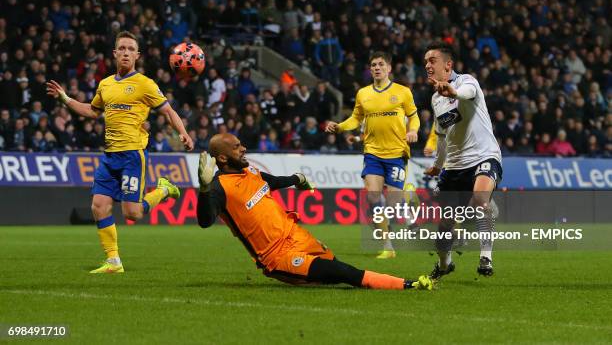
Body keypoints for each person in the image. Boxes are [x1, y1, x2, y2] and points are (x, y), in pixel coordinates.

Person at [196, 133, 433, 290]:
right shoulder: (218, 188)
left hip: (297, 236)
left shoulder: (251, 172)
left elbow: (274, 181)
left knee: (332, 267)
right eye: (237, 147)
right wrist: (205, 189)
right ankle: (406, 285)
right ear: (223, 157)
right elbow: (205, 221)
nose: (244, 148)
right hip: (277, 257)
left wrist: (296, 178)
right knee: (342, 272)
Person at [46, 31, 194, 274]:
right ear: (115, 53)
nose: (126, 52)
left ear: (137, 55)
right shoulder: (105, 84)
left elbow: (168, 111)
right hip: (110, 156)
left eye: (130, 49)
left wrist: (183, 133)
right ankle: (113, 261)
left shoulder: (145, 84)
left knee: (132, 213)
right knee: (98, 205)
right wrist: (65, 99)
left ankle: (165, 189)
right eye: (122, 48)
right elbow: (92, 111)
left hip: (132, 156)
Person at [325, 51, 420, 259]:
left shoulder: (403, 92)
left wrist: (413, 131)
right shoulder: (363, 94)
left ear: (389, 69)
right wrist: (340, 127)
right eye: (373, 65)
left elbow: (414, 117)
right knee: (373, 196)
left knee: (394, 205)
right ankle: (388, 247)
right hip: (373, 153)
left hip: (396, 153)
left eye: (380, 64)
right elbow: (355, 119)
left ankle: (407, 195)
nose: (376, 68)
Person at [423, 41, 503, 278]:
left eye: (432, 61)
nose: (427, 65)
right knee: (446, 225)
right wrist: (438, 166)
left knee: (479, 200)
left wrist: (454, 92)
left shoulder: (467, 81)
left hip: (483, 155)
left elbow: (467, 93)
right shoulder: (435, 99)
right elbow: (441, 136)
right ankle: (445, 264)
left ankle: (486, 258)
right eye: (426, 61)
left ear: (448, 65)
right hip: (454, 165)